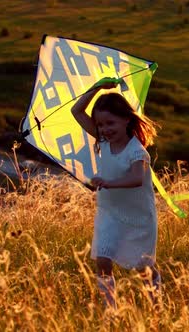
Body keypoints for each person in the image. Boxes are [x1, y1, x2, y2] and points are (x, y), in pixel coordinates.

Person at [71, 78, 161, 309]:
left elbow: (136, 178)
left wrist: (109, 183)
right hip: (110, 213)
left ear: (126, 119)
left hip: (138, 218)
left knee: (143, 268)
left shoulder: (137, 152)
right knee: (102, 258)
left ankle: (157, 304)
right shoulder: (102, 140)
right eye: (100, 125)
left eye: (110, 123)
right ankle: (111, 308)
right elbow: (77, 111)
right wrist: (96, 88)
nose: (104, 129)